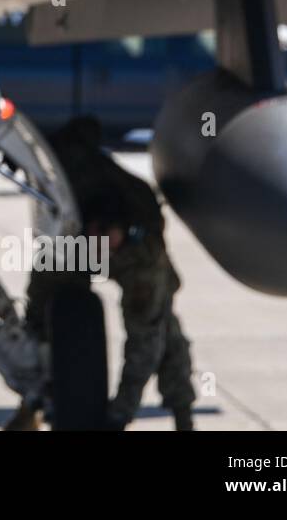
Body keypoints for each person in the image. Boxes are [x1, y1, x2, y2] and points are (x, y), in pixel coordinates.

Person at [48, 116, 196, 431]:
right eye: (93, 238)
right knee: (48, 294)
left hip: (139, 259)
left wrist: (119, 415)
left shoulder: (144, 261)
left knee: (163, 333)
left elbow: (143, 345)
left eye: (104, 240)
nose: (99, 248)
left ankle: (183, 415)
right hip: (79, 229)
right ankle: (35, 399)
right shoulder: (76, 202)